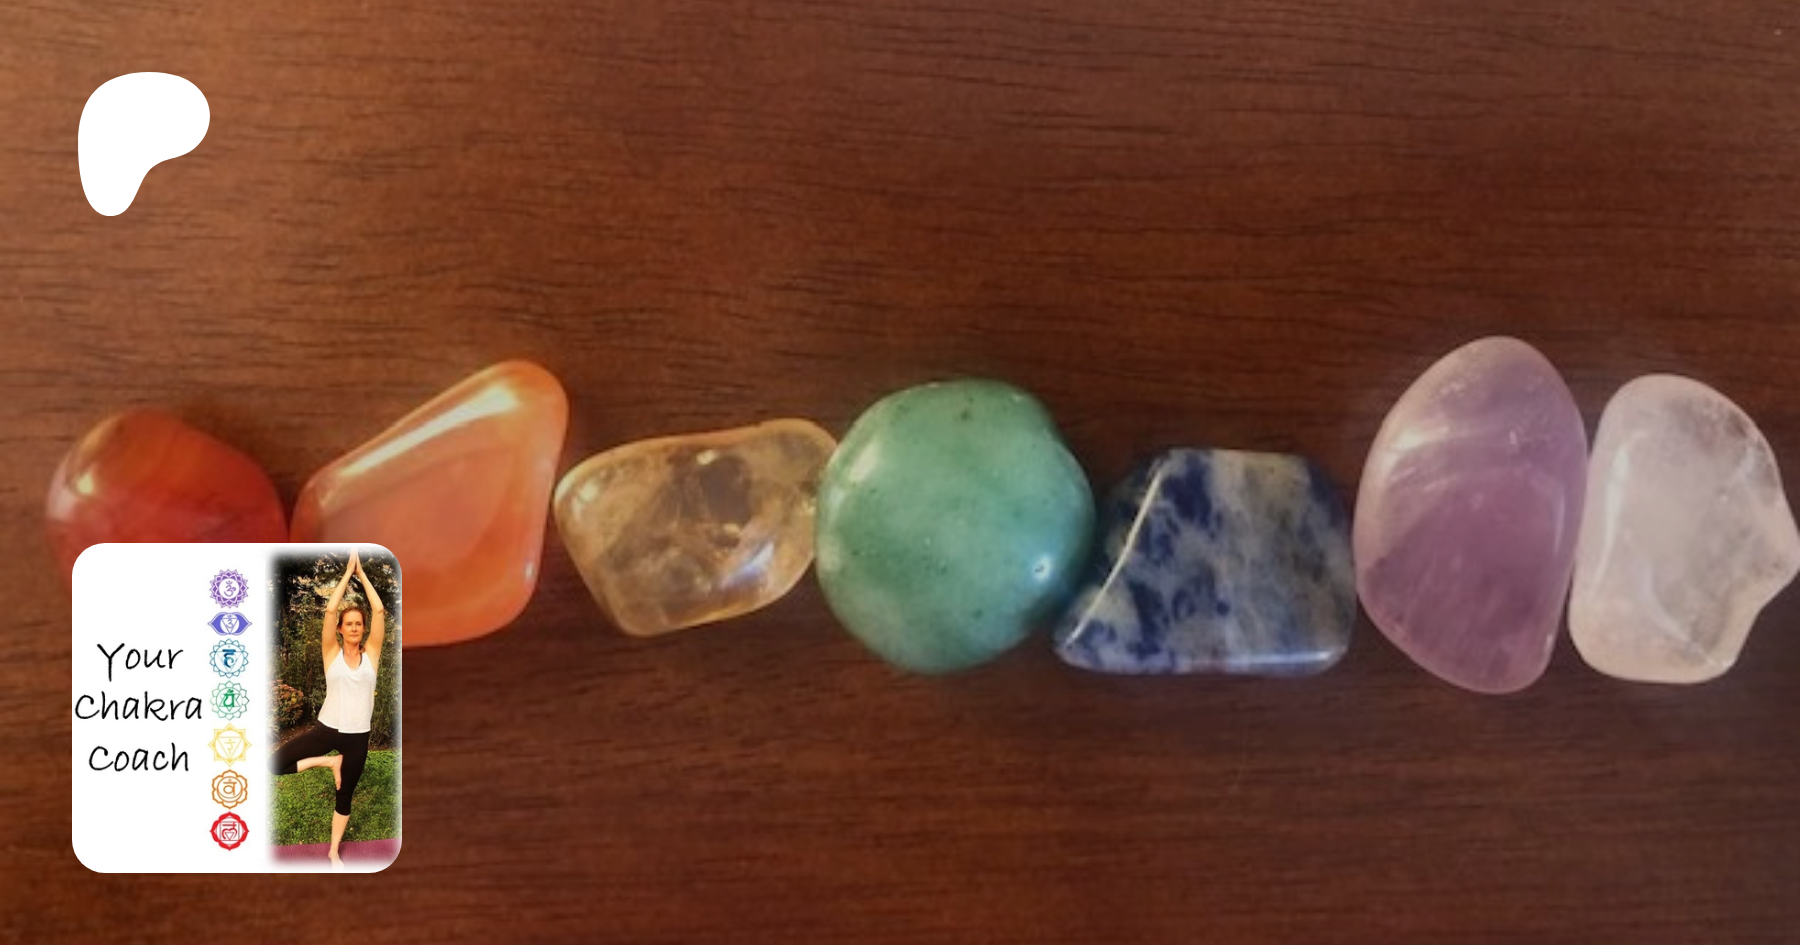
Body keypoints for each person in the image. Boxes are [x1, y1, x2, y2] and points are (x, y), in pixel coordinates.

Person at [270, 547, 385, 869]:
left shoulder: (372, 655)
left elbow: (379, 610)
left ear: (363, 628)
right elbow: (330, 610)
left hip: (358, 736)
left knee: (344, 795)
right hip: (327, 730)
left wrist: (362, 575)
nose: (354, 627)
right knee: (274, 764)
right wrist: (347, 574)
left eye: (358, 624)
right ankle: (330, 762)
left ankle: (333, 851)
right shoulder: (331, 653)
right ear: (340, 629)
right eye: (349, 624)